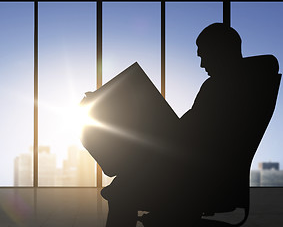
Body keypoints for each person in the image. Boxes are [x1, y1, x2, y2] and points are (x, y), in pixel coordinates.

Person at [100, 23, 280, 227]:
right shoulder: (249, 87)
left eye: (204, 55)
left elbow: (185, 136)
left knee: (122, 189)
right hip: (219, 181)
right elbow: (191, 133)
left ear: (220, 51)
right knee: (124, 182)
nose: (202, 64)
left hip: (196, 183)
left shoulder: (217, 88)